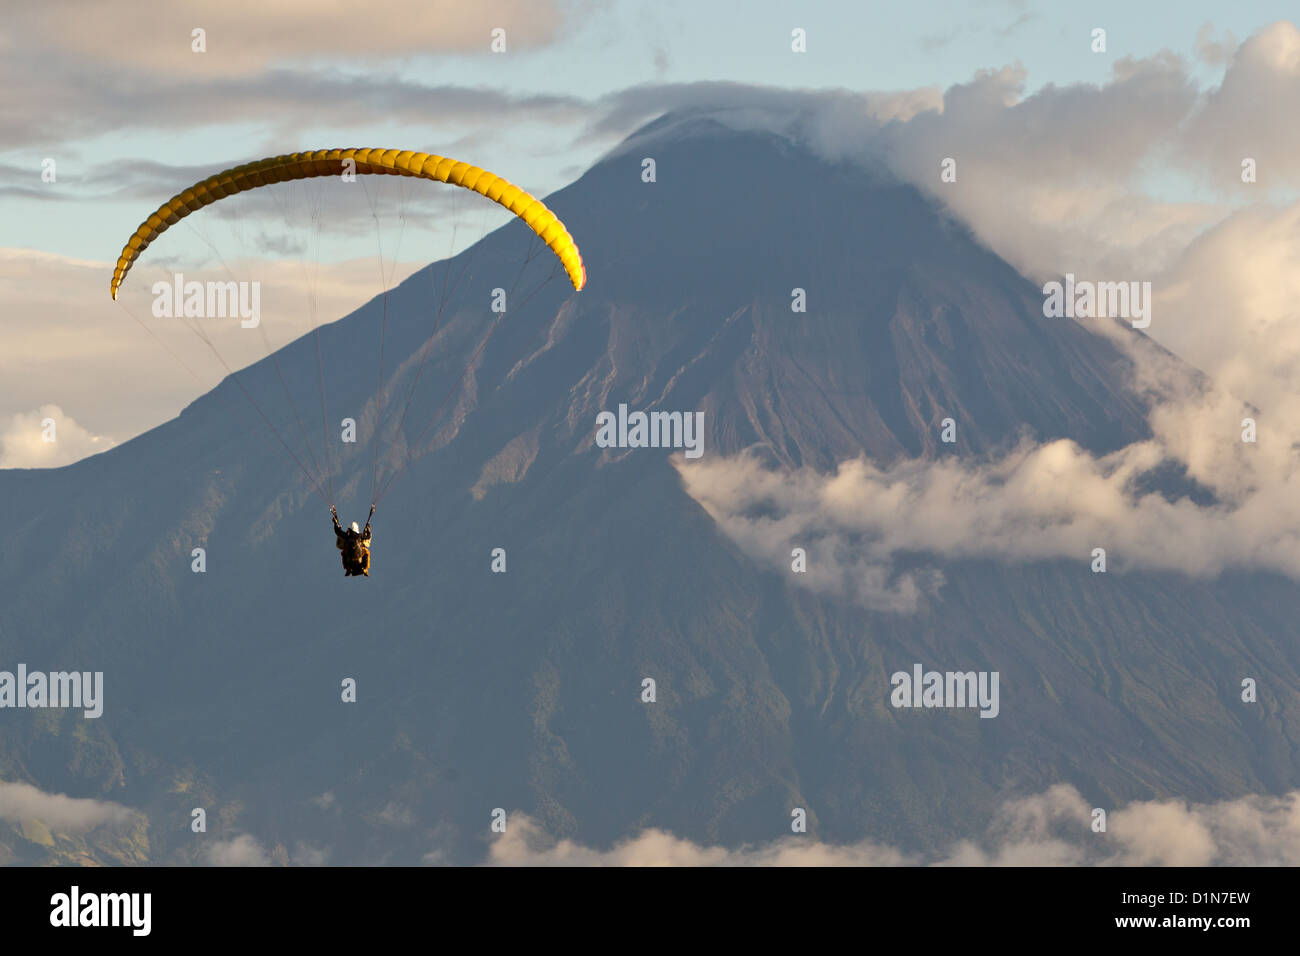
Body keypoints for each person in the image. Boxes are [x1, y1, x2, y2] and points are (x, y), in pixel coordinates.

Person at [331, 505, 373, 577]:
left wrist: (335, 523)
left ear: (349, 530)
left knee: (343, 552)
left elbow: (337, 531)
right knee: (366, 551)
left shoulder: (346, 536)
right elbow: (368, 536)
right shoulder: (360, 536)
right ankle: (365, 568)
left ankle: (348, 568)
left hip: (349, 557)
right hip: (358, 556)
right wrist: (368, 530)